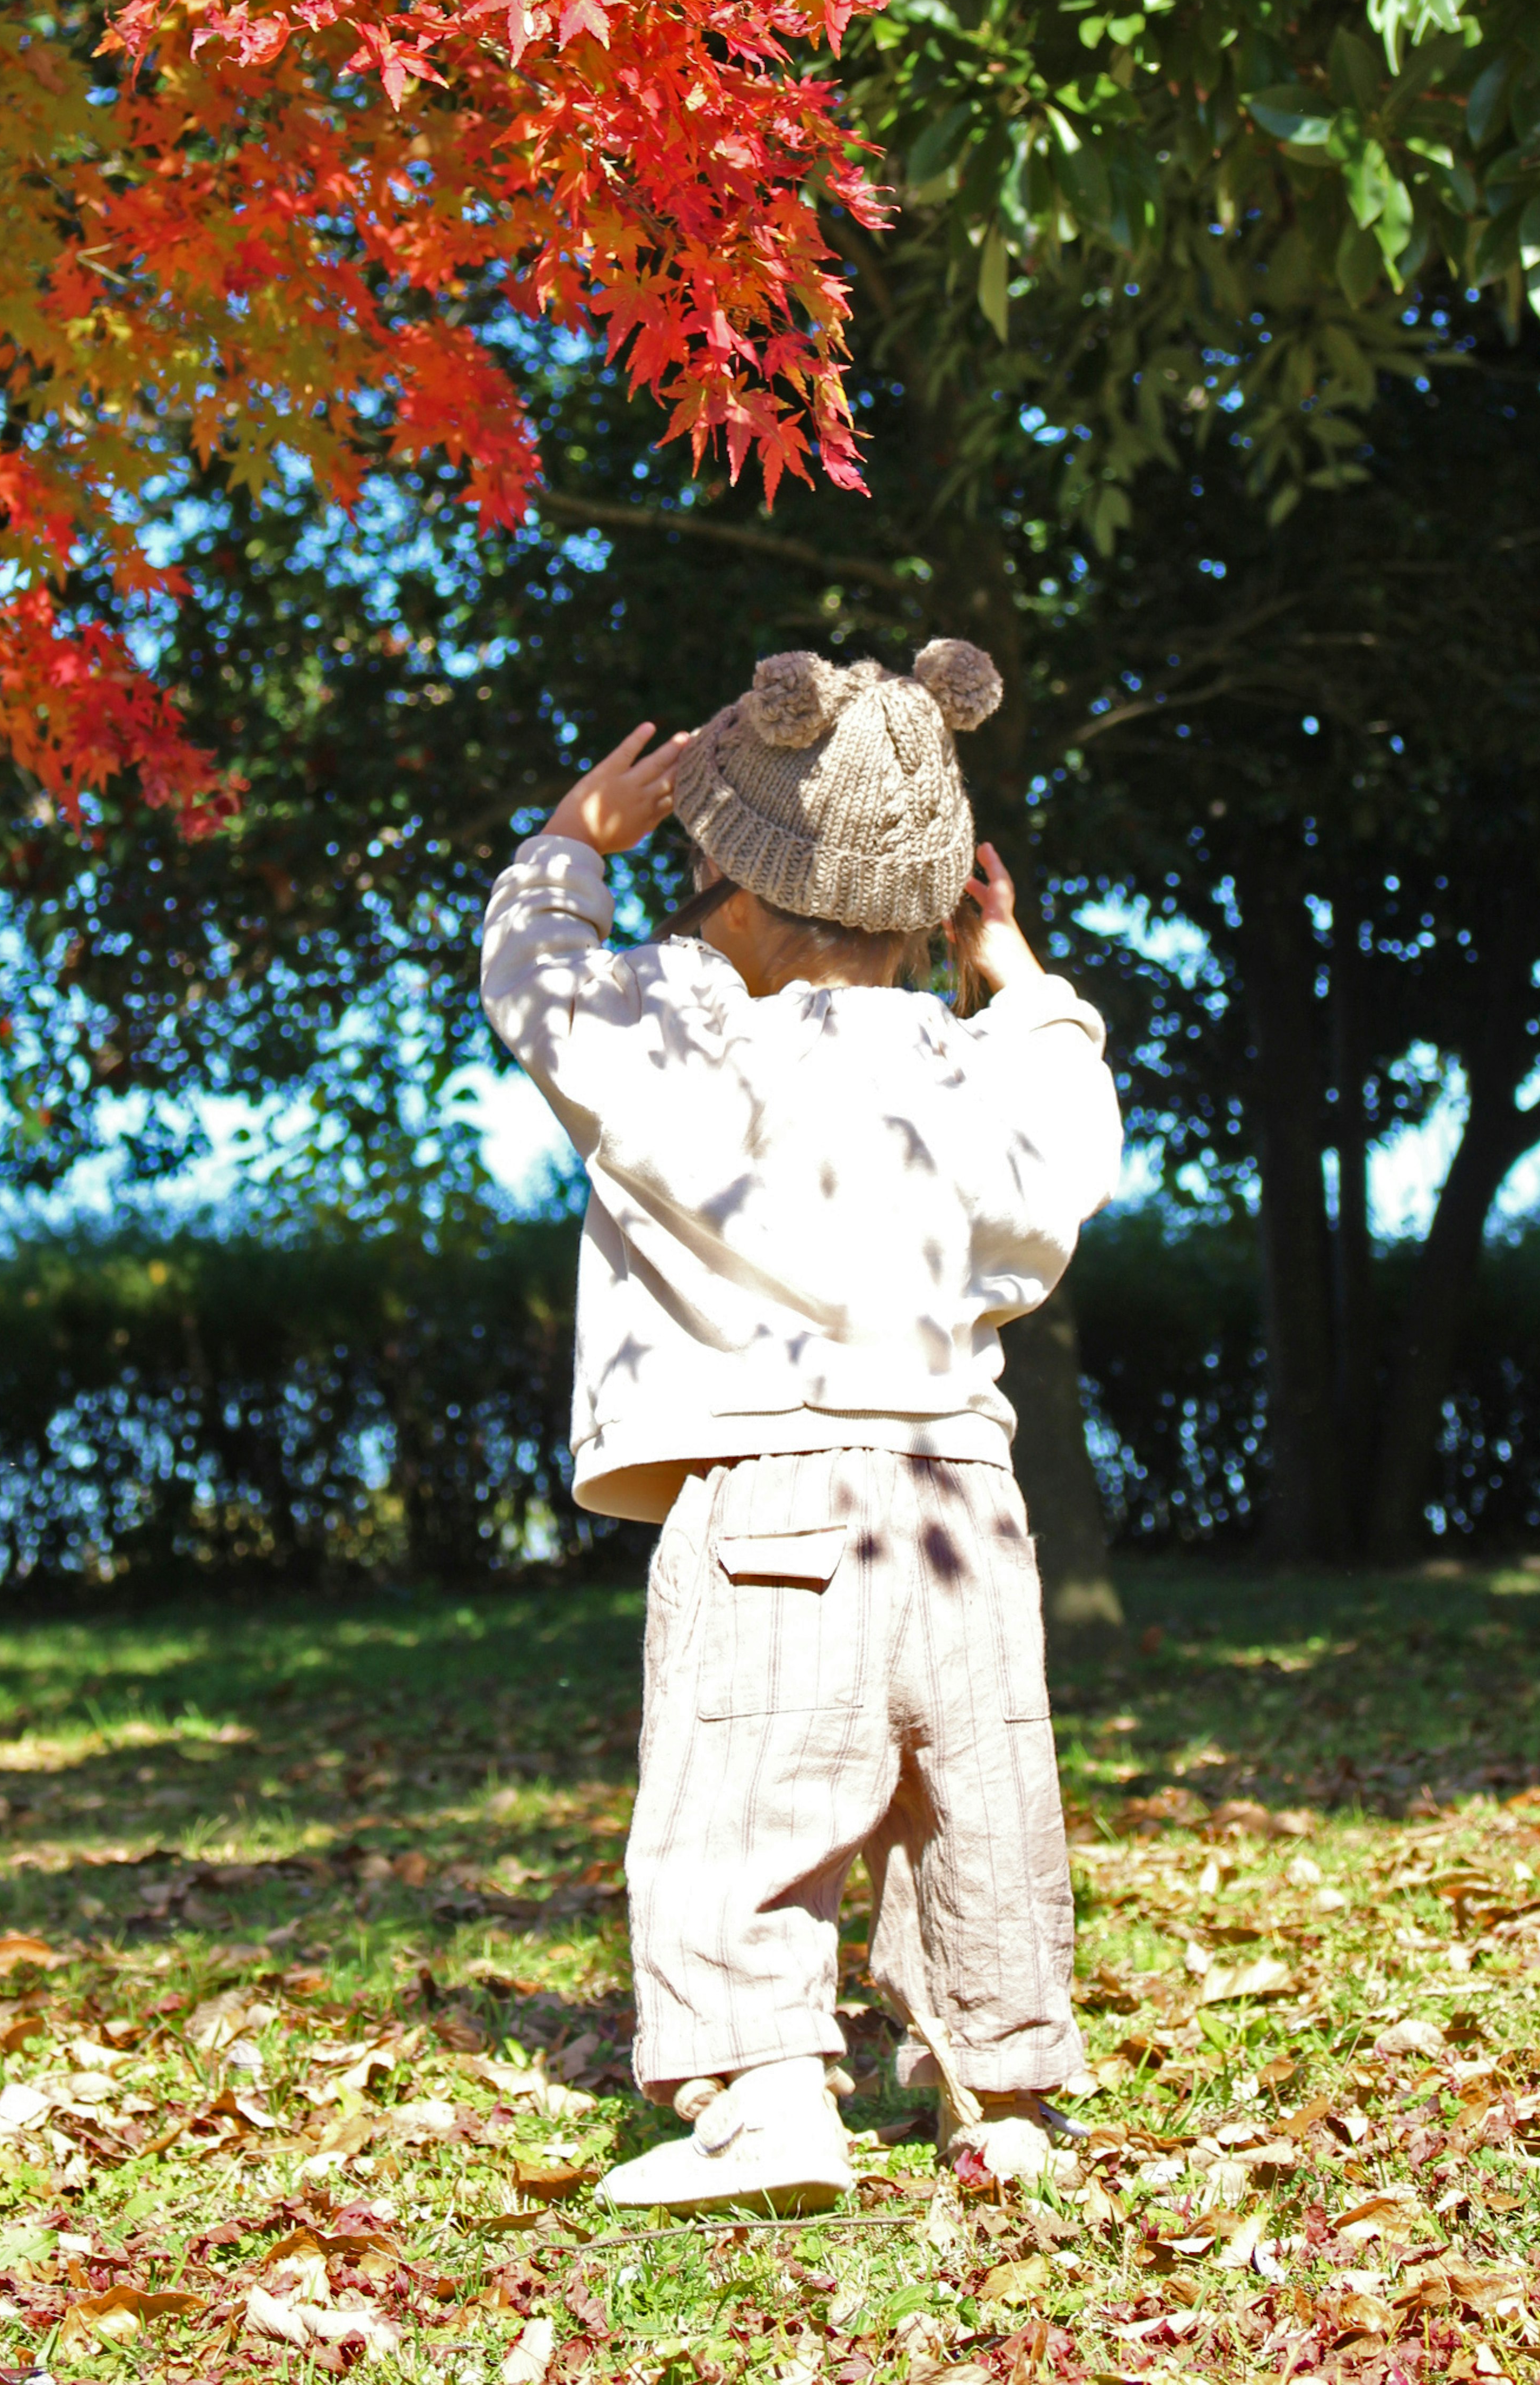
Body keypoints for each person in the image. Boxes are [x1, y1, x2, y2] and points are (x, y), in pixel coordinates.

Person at [479, 642, 1122, 2213]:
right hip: (964, 1496)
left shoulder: (692, 1053)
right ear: (939, 905)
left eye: (709, 867)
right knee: (979, 1789)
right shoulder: (981, 1079)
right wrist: (1020, 973)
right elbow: (1072, 1119)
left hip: (768, 1479)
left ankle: (765, 2093)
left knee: (742, 1788)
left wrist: (573, 847)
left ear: (749, 891)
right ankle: (1004, 2089)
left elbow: (540, 993)